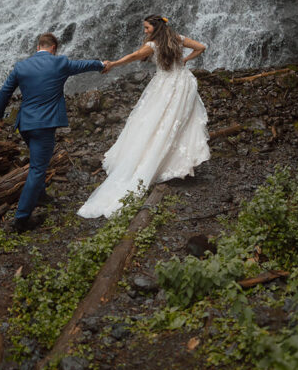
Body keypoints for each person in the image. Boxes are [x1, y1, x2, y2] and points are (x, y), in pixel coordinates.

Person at [78, 15, 209, 219]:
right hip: (184, 82)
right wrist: (185, 60)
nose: (145, 30)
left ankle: (163, 160)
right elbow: (201, 47)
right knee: (180, 122)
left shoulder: (152, 45)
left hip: (165, 85)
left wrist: (113, 63)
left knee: (157, 121)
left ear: (155, 28)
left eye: (147, 27)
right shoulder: (178, 38)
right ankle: (178, 162)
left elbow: (132, 57)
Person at [0, 32, 109, 232]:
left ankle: (40, 196)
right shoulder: (60, 63)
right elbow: (84, 65)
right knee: (37, 169)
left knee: (37, 163)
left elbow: (5, 92)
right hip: (44, 126)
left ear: (38, 47)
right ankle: (21, 220)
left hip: (25, 125)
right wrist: (101, 64)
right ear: (54, 48)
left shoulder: (21, 66)